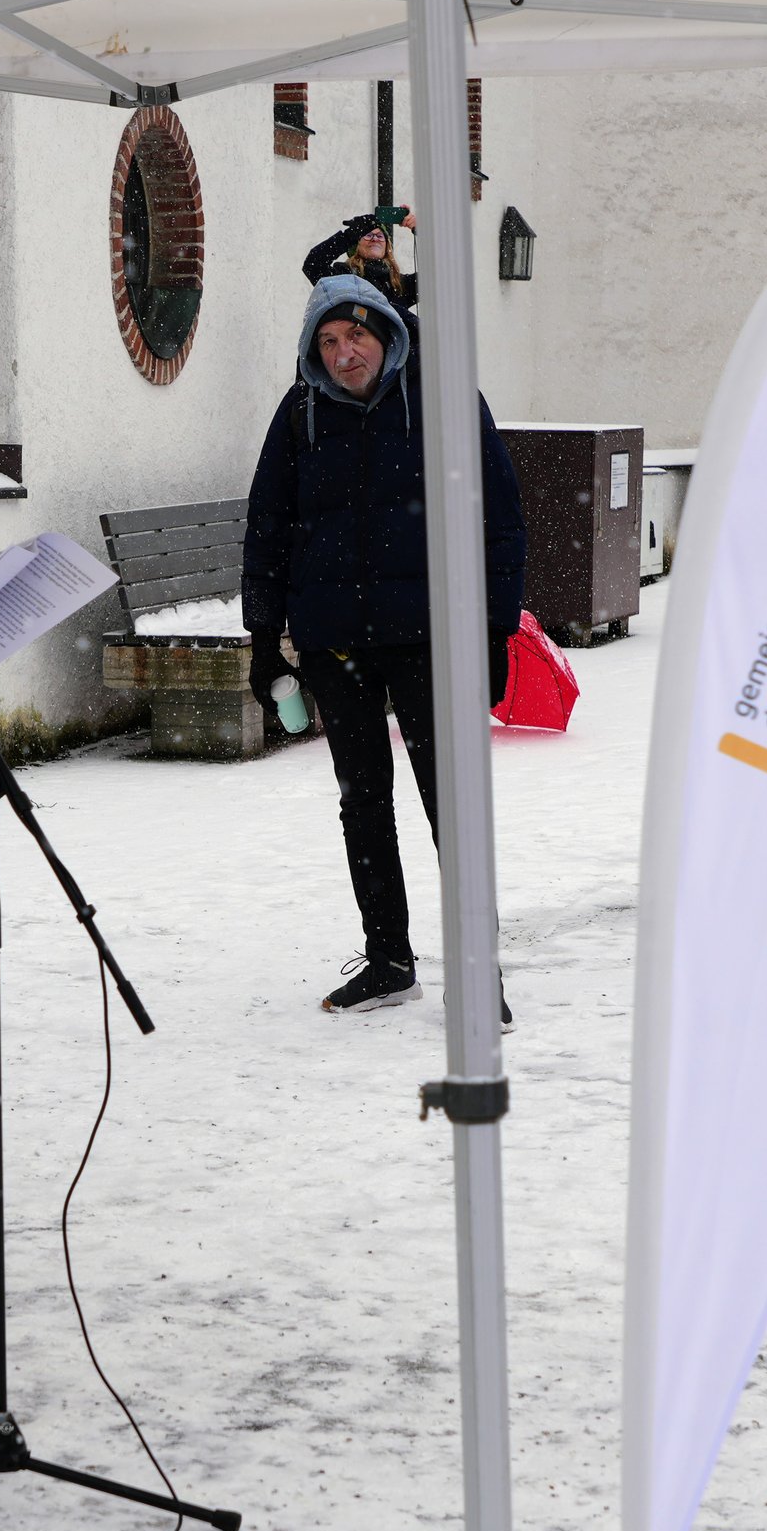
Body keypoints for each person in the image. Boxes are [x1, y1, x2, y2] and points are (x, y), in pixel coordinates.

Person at [241, 274, 527, 1015]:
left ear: (387, 333)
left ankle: (478, 972)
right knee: (362, 802)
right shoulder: (300, 413)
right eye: (329, 341)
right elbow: (268, 527)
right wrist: (264, 639)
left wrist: (494, 630)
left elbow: (499, 520)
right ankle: (389, 961)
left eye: (356, 335)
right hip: (336, 643)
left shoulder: (445, 400)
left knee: (451, 805)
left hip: (432, 638)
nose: (345, 354)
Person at [301, 209, 417, 318]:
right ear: (356, 246)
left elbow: (428, 279)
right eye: (368, 235)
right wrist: (347, 236)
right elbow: (313, 264)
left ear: (387, 247)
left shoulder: (399, 284)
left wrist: (420, 229)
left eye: (380, 236)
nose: (375, 239)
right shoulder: (342, 276)